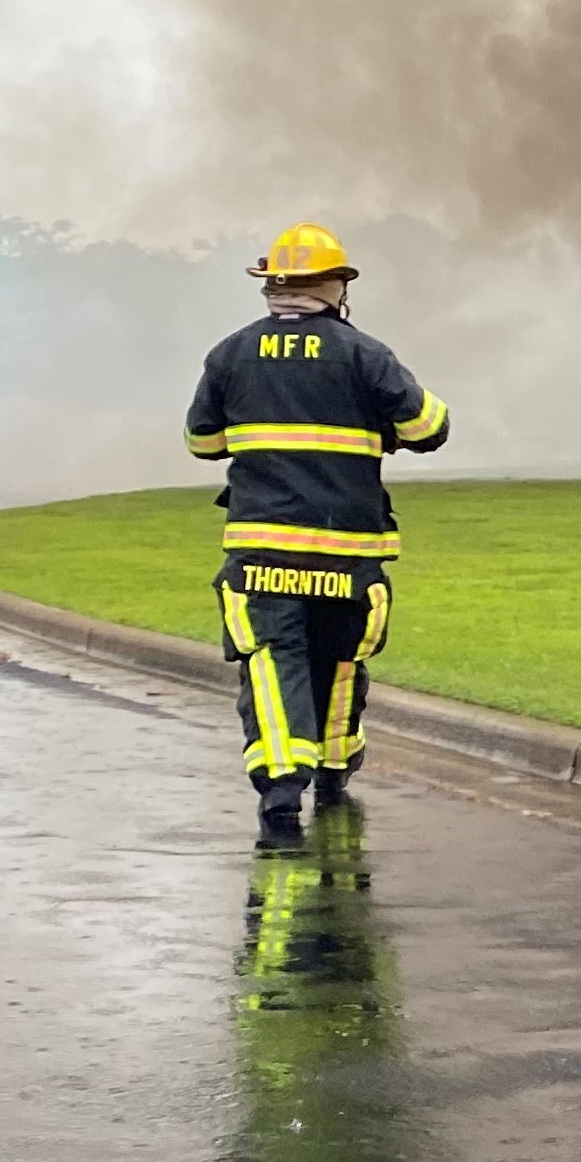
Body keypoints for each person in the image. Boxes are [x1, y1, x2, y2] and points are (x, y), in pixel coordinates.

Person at [184, 224, 451, 840]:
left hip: (262, 546)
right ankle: (333, 767)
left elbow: (202, 443)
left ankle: (282, 785)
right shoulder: (364, 354)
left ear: (271, 286)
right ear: (335, 286)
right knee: (340, 658)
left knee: (274, 660)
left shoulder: (229, 355)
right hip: (347, 550)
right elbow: (429, 427)